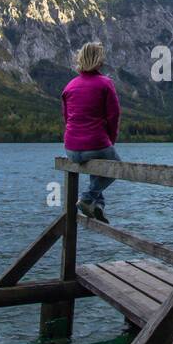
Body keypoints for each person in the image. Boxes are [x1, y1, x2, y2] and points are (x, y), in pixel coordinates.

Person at [61, 41, 121, 222]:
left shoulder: (69, 86)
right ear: (99, 61)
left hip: (70, 149)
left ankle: (98, 205)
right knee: (117, 167)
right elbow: (113, 116)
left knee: (98, 163)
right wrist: (109, 141)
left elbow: (67, 118)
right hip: (96, 143)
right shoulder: (105, 83)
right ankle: (87, 198)